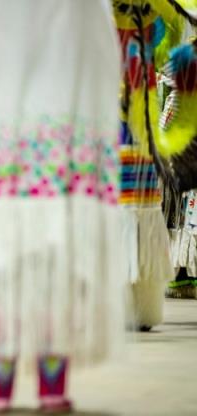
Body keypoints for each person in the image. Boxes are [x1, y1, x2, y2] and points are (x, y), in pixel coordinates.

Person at [0, 1, 127, 412]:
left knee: (4, 254)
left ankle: (0, 386)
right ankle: (52, 386)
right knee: (58, 251)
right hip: (62, 120)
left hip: (7, 122)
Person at [112, 1, 175, 331]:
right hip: (134, 113)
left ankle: (128, 306)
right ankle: (139, 307)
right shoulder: (159, 13)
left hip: (129, 115)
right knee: (134, 207)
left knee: (130, 207)